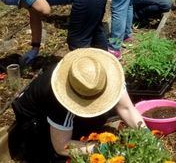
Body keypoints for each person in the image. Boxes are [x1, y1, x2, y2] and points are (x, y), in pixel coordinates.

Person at [9, 48, 146, 162]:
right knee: (51, 154)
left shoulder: (102, 74)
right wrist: (104, 149)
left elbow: (126, 108)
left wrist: (147, 137)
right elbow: (62, 146)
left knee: (94, 121)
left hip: (56, 110)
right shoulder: (61, 100)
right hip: (34, 119)